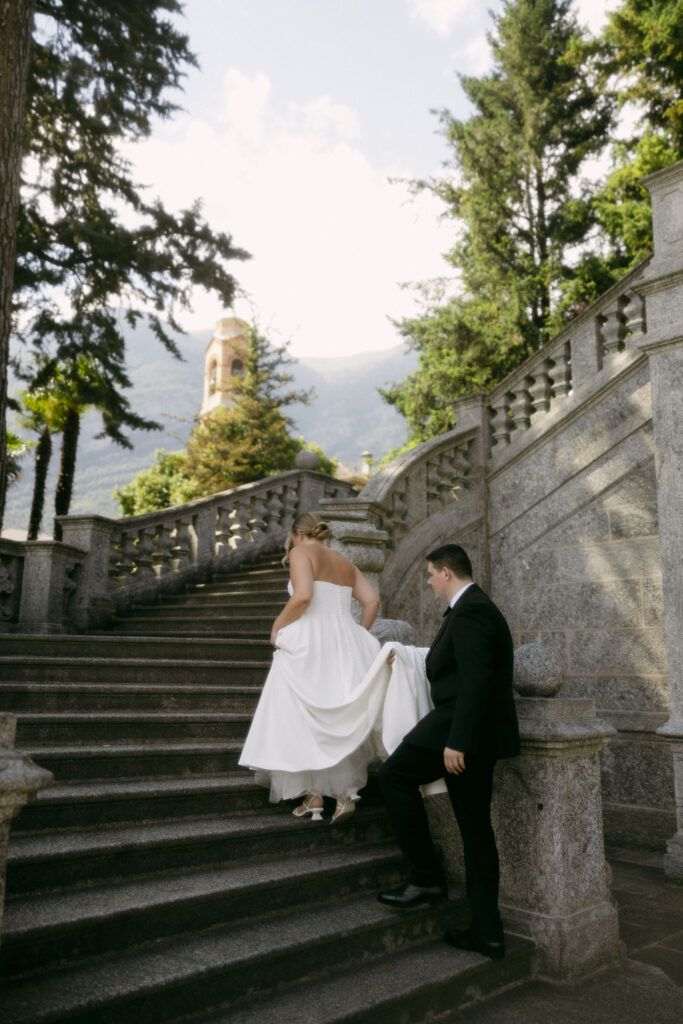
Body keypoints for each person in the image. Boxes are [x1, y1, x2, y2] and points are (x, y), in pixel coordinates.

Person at [377, 544, 520, 961]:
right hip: (472, 731)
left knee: (394, 775)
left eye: (429, 574)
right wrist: (402, 656)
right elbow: (457, 664)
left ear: (445, 572)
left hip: (460, 729)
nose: (427, 581)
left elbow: (475, 680)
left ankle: (425, 877)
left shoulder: (472, 609)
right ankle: (487, 933)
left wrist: (457, 740)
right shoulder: (472, 609)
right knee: (476, 833)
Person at [239, 512, 383, 824]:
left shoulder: (300, 553)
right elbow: (372, 600)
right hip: (345, 642)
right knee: (335, 717)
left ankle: (313, 796)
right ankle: (342, 794)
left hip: (310, 641)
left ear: (297, 533)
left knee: (301, 717)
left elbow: (303, 596)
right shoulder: (343, 561)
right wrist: (359, 633)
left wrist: (277, 627)